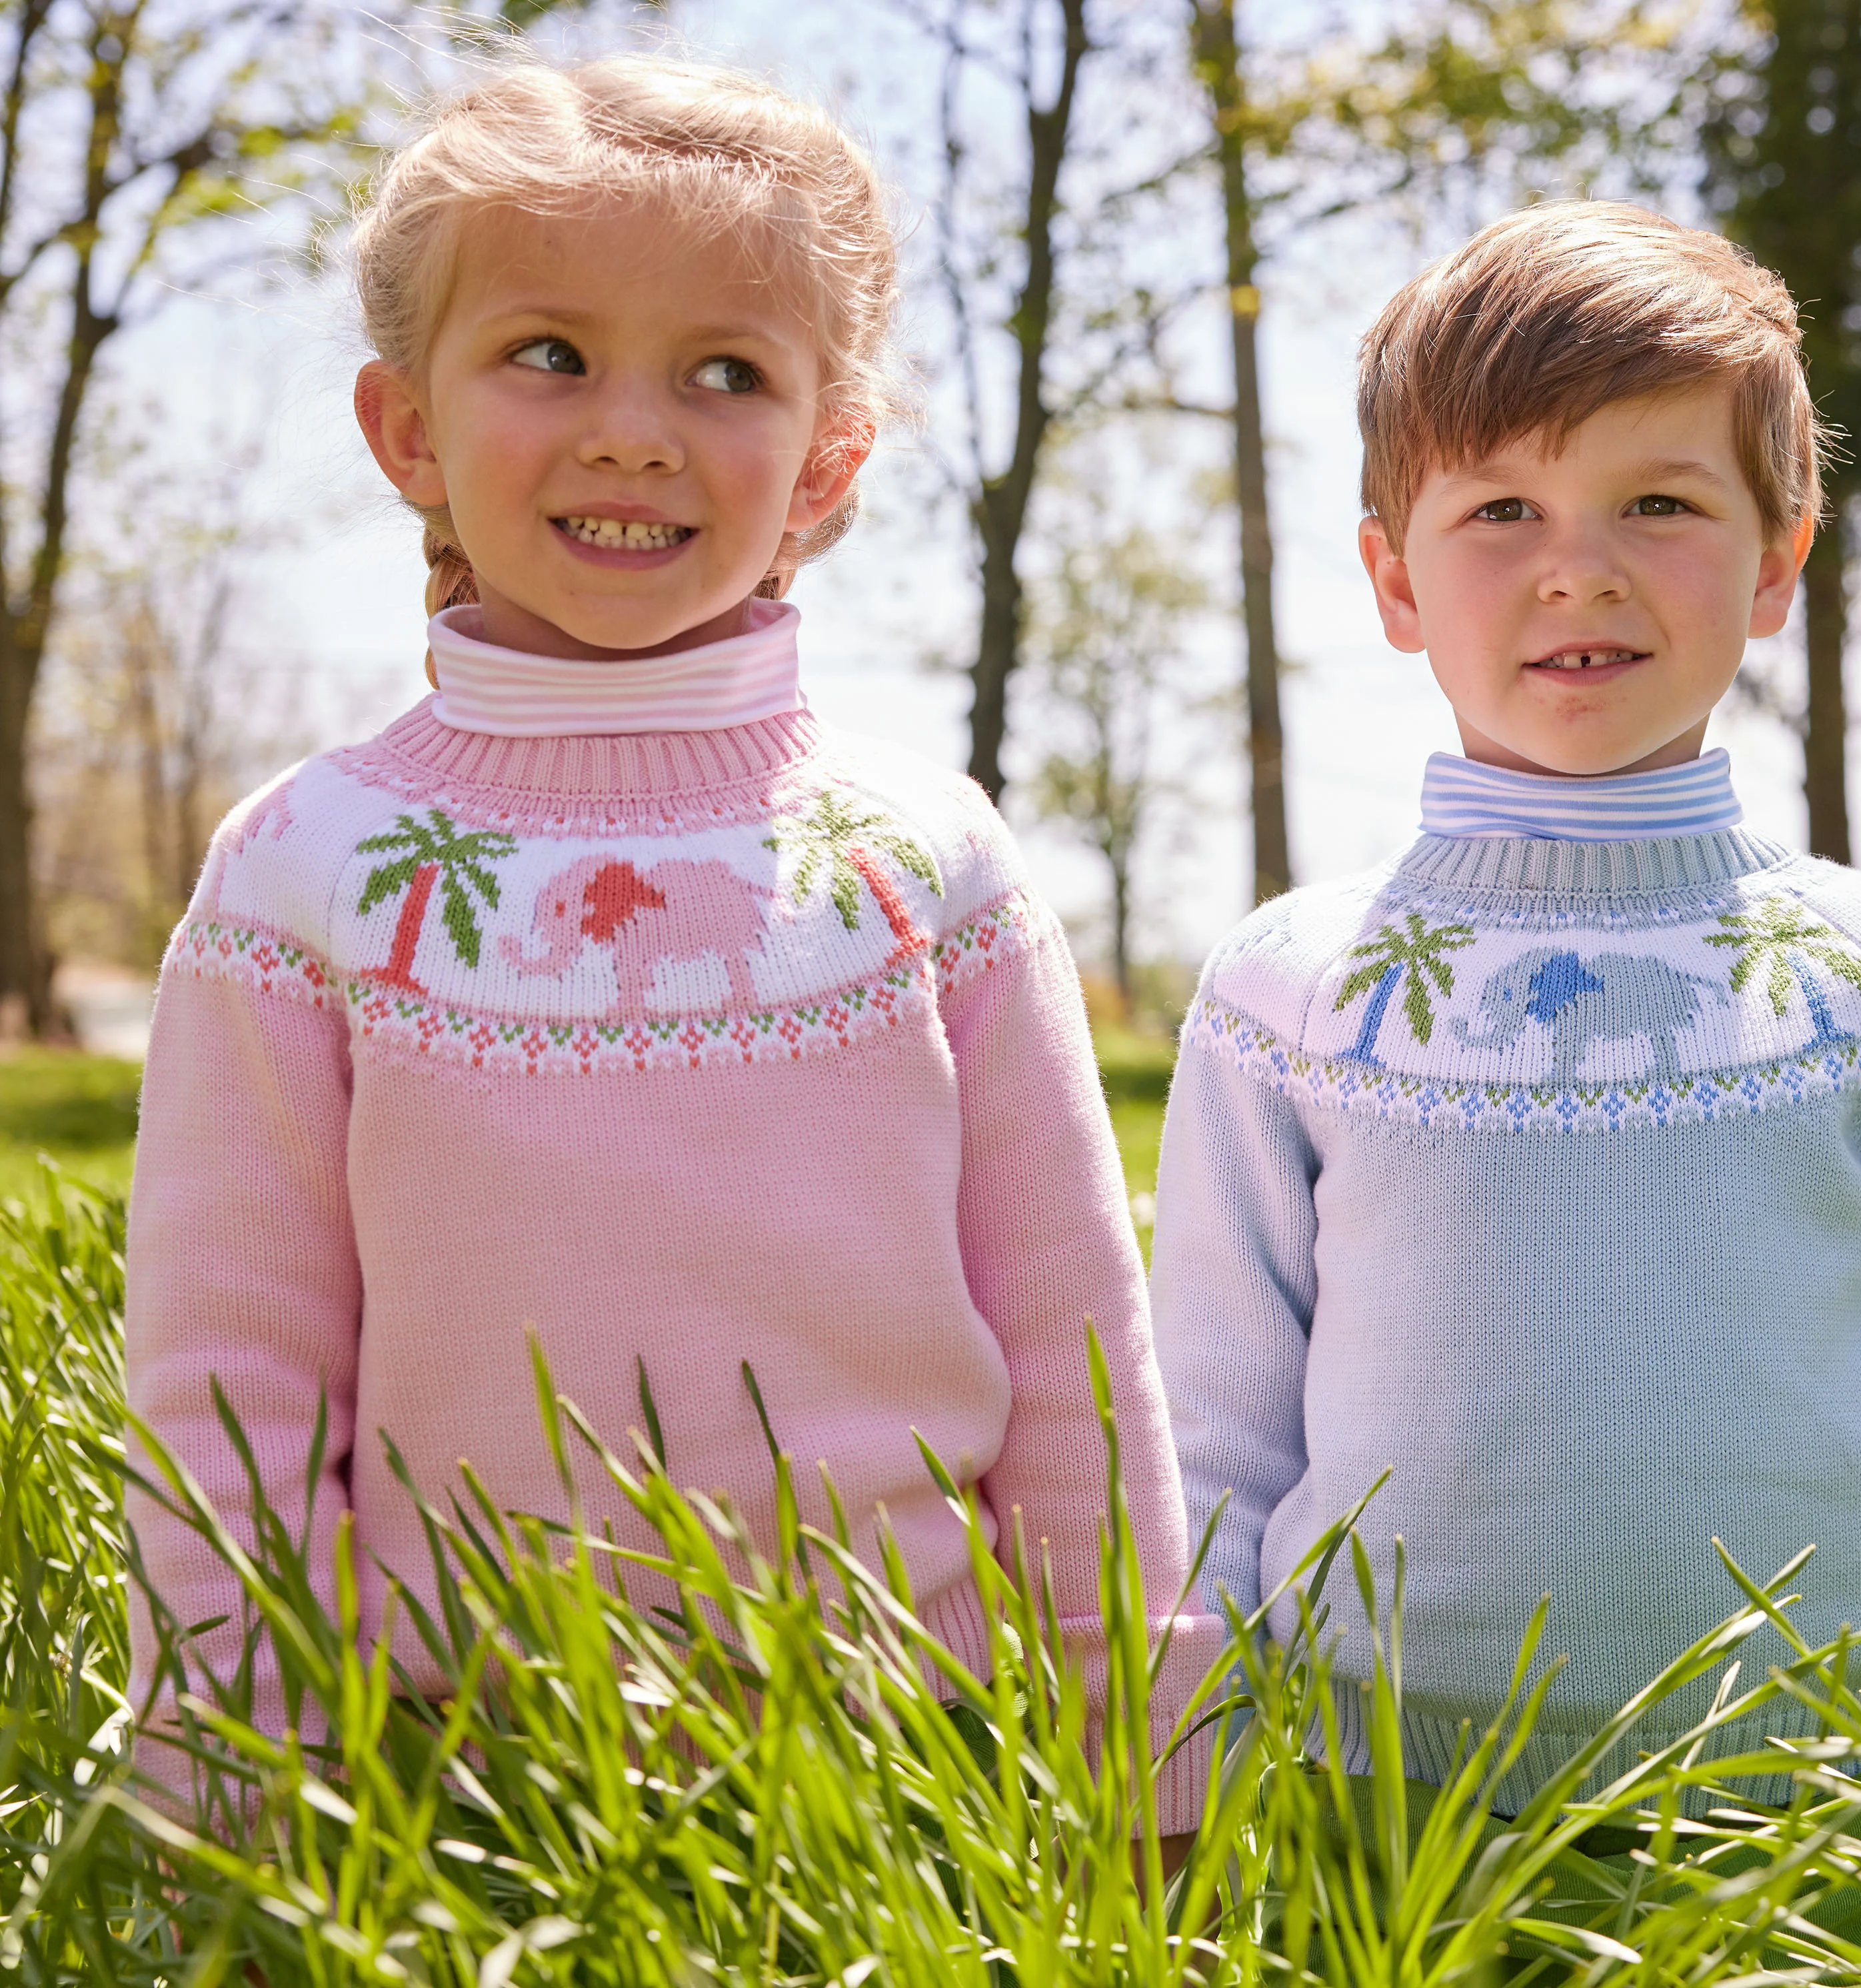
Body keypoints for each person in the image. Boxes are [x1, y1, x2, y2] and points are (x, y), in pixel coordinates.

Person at [123, 56, 1207, 1835]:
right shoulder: (306, 869)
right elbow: (226, 1381)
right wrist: (231, 1815)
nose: (635, 427)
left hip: (914, 1759)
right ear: (409, 431)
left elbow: (1077, 1342)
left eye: (725, 372)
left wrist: (1150, 1775)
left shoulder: (924, 859)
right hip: (467, 1776)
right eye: (549, 353)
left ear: (824, 462)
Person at [1152, 201, 1861, 1913]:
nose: (1576, 568)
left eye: (1657, 504)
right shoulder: (1293, 988)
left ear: (1774, 561)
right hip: (1376, 1816)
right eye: (1501, 509)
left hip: (1830, 1811)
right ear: (1393, 575)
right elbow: (1214, 1444)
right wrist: (1183, 1801)